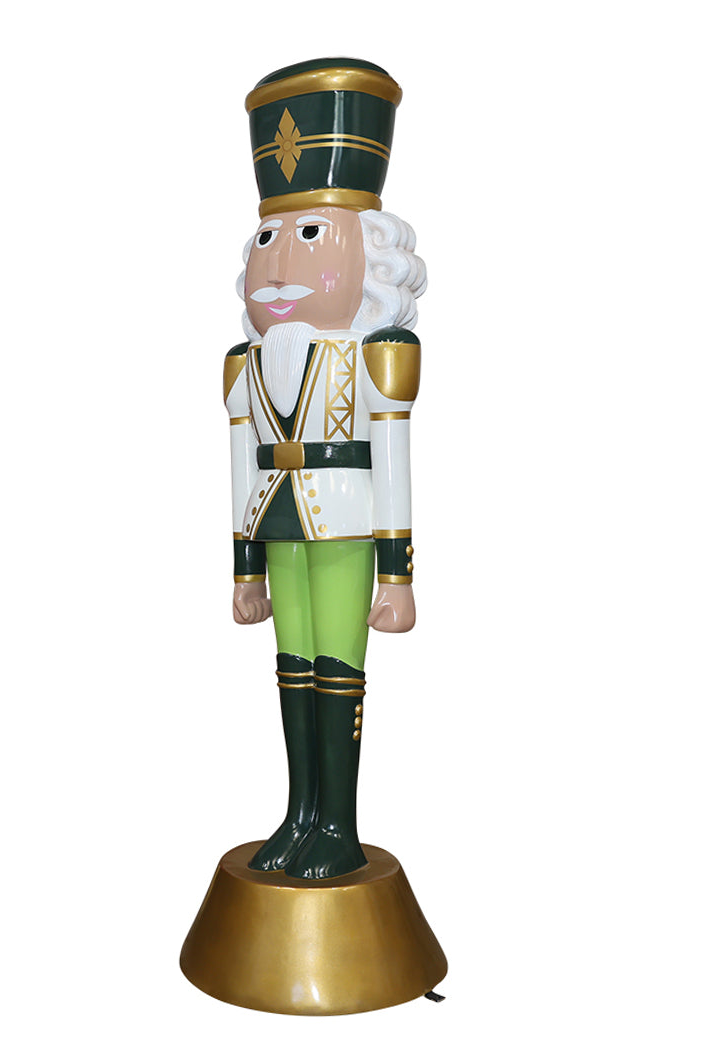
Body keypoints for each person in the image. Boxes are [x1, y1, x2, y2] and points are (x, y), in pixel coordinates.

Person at [224, 59, 426, 879]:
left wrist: (398, 575)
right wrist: (243, 568)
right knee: (292, 666)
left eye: (310, 237)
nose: (278, 266)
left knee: (338, 667)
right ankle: (300, 813)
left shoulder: (377, 356)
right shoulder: (245, 364)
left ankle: (337, 824)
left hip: (346, 525)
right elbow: (240, 465)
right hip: (278, 525)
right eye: (268, 240)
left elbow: (394, 461)